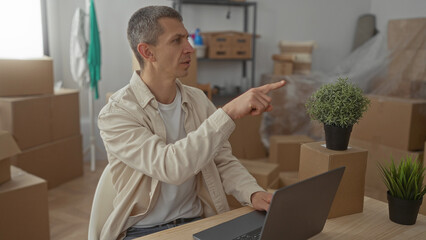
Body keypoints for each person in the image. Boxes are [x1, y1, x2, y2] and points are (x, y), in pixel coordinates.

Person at [98, 5, 286, 240]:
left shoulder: (197, 99)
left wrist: (253, 193)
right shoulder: (116, 114)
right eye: (177, 41)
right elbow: (170, 167)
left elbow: (222, 161)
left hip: (198, 222)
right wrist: (227, 112)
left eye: (187, 38)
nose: (190, 48)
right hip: (143, 231)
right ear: (147, 52)